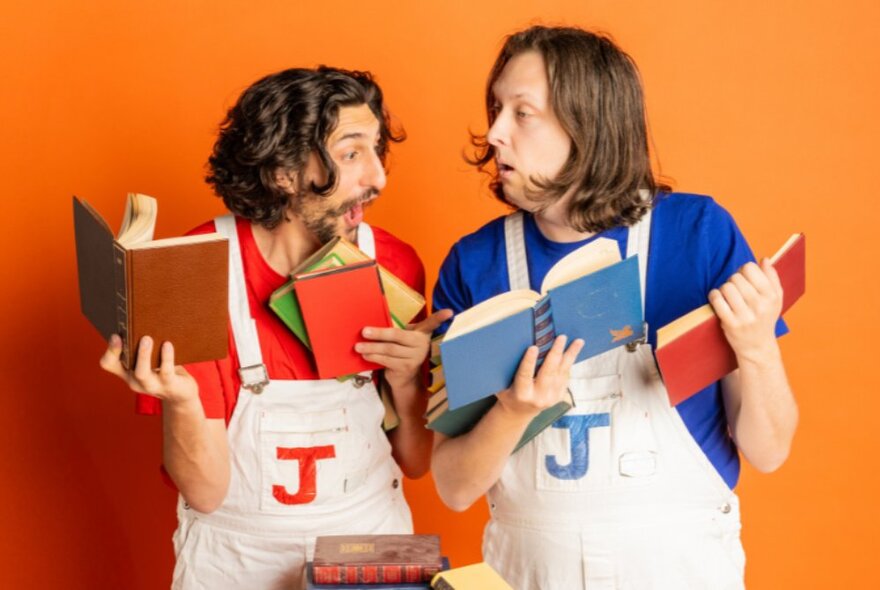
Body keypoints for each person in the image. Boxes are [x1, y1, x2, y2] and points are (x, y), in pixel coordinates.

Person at [431, 26, 798, 589]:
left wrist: (757, 350)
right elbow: (454, 489)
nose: (496, 132)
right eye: (496, 108)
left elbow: (769, 452)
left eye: (522, 113)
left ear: (587, 125)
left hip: (681, 568)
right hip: (528, 572)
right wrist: (512, 411)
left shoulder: (698, 234)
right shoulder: (473, 264)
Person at [99, 66, 449, 590]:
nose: (378, 177)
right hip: (236, 557)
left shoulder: (394, 264)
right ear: (283, 171)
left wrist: (405, 380)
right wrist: (183, 400)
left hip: (372, 540)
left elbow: (417, 463)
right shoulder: (195, 274)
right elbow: (206, 492)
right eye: (352, 153)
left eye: (377, 151)